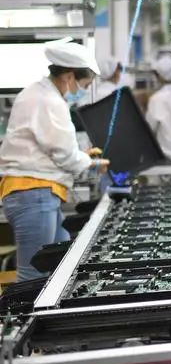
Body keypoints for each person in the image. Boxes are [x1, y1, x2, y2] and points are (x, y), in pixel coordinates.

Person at [0, 42, 110, 282]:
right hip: (33, 192)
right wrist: (90, 163)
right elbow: (64, 154)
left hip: (34, 192)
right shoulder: (48, 101)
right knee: (34, 273)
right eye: (84, 85)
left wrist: (83, 156)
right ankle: (19, 319)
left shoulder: (38, 93)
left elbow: (53, 147)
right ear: (69, 76)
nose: (82, 90)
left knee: (57, 261)